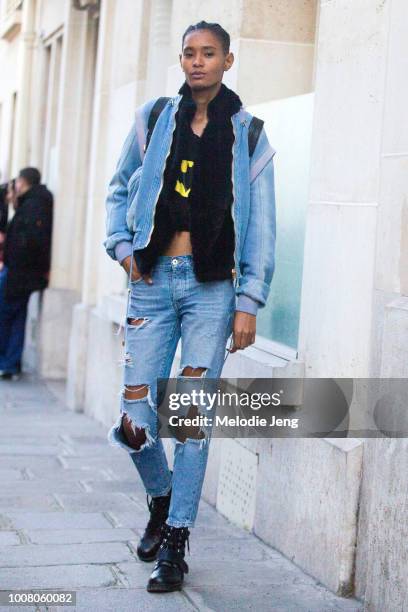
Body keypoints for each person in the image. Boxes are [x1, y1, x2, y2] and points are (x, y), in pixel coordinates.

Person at [104, 21, 276, 592]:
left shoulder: (250, 135)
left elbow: (263, 230)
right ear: (181, 61)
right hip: (151, 282)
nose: (197, 62)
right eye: (189, 53)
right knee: (135, 421)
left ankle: (176, 542)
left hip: (211, 290)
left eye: (209, 53)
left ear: (228, 61)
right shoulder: (154, 120)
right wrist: (124, 250)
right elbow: (119, 187)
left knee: (190, 419)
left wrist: (249, 300)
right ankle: (161, 499)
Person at [0, 168, 53, 379]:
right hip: (20, 272)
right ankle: (10, 363)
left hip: (19, 272)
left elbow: (30, 241)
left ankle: (8, 361)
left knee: (7, 315)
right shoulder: (31, 203)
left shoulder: (34, 204)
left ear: (22, 182)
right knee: (16, 316)